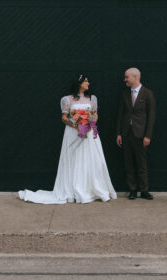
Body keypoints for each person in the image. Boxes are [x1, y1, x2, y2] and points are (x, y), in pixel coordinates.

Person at [18, 73, 117, 204]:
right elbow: (64, 117)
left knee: (92, 159)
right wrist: (76, 125)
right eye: (86, 81)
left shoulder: (92, 98)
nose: (88, 84)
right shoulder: (67, 99)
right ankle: (73, 189)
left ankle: (91, 189)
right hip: (73, 132)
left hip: (89, 132)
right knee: (74, 159)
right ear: (79, 83)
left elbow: (95, 114)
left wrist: (89, 123)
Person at [116, 67, 156, 200]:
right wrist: (119, 134)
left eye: (127, 77)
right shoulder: (124, 94)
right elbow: (120, 115)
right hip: (127, 134)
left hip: (141, 135)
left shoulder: (148, 94)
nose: (125, 80)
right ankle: (132, 189)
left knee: (142, 164)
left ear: (135, 77)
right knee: (128, 163)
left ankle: (144, 190)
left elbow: (151, 117)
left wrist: (148, 135)